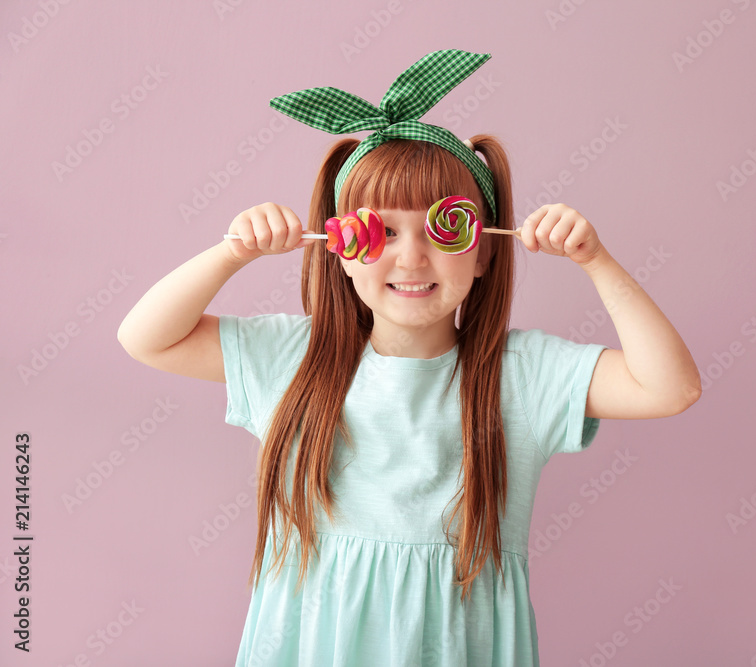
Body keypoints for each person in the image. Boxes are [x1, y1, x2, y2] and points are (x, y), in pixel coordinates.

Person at [117, 49, 701, 666]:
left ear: (482, 251)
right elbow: (147, 337)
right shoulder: (294, 359)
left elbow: (670, 387)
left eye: (441, 230)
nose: (412, 258)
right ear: (340, 248)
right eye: (383, 232)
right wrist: (231, 253)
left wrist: (595, 259)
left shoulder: (520, 376)